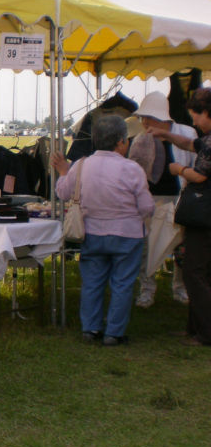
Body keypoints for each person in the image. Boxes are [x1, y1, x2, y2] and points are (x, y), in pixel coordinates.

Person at [52, 114, 155, 346]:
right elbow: (147, 206)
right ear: (121, 142)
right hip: (127, 235)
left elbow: (63, 193)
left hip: (92, 233)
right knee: (123, 284)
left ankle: (90, 328)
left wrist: (62, 173)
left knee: (92, 282)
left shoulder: (80, 165)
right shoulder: (132, 168)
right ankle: (114, 333)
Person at [148, 87, 211, 346]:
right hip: (204, 216)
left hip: (204, 216)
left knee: (194, 273)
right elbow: (189, 143)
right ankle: (194, 328)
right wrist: (165, 133)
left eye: (196, 116)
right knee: (199, 272)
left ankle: (205, 333)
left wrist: (179, 169)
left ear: (207, 112)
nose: (193, 122)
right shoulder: (205, 139)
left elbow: (201, 175)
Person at [132, 92, 197, 308]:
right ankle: (147, 290)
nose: (144, 122)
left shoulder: (186, 134)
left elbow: (196, 165)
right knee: (146, 248)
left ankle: (180, 288)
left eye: (146, 118)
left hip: (179, 198)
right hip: (149, 200)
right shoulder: (141, 139)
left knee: (180, 246)